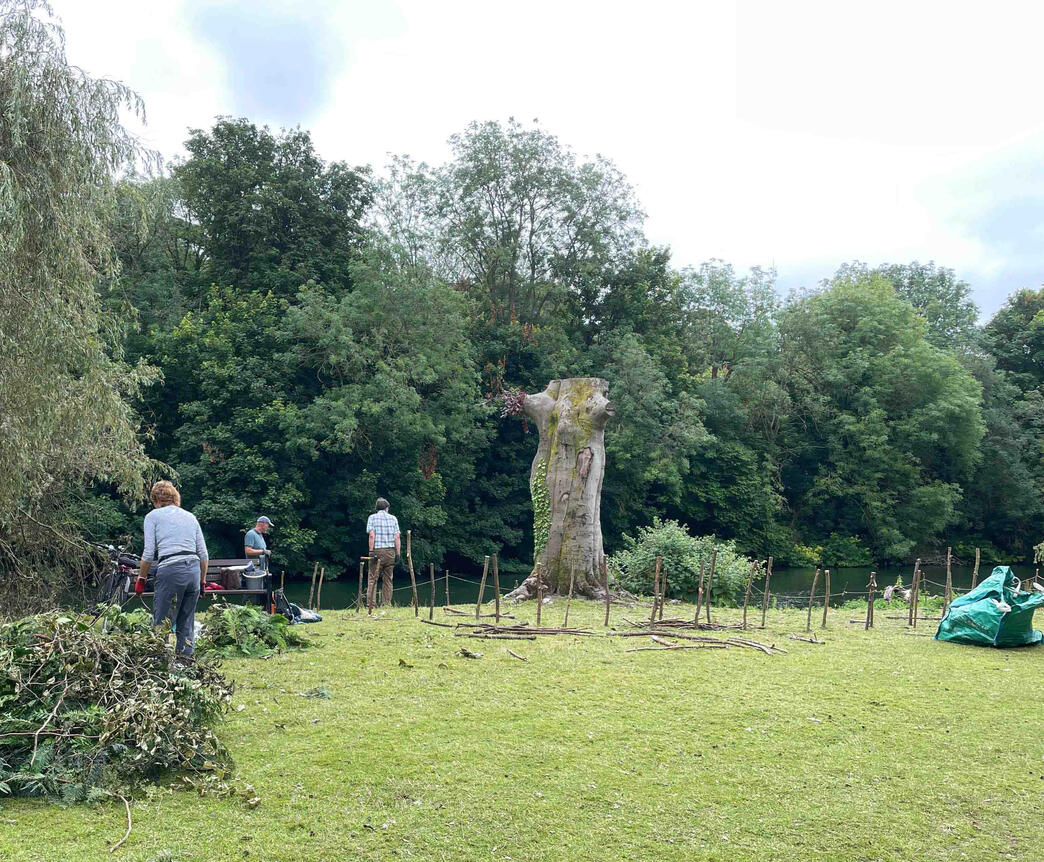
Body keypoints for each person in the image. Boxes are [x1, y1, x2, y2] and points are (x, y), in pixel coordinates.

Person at [137, 480, 208, 656]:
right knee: (186, 622)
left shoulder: (153, 516)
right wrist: (202, 580)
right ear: (175, 497)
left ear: (155, 499)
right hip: (193, 571)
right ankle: (186, 661)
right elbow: (203, 554)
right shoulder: (190, 517)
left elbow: (148, 553)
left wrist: (141, 579)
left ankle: (159, 661)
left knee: (162, 621)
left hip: (170, 570)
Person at [366, 497, 400, 610]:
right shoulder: (393, 518)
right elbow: (397, 537)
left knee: (372, 578)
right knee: (388, 579)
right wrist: (398, 553)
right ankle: (386, 604)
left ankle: (371, 604)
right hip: (390, 551)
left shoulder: (372, 518)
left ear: (377, 508)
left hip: (377, 551)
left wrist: (371, 551)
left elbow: (371, 535)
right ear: (387, 508)